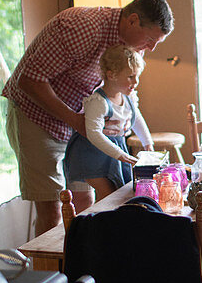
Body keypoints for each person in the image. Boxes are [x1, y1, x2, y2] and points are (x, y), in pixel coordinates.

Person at [3, 0, 173, 235]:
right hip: (36, 116)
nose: (151, 48)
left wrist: (141, 138)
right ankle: (48, 272)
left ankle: (83, 264)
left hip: (80, 122)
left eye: (157, 42)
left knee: (84, 202)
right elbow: (29, 80)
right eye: (150, 39)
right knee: (52, 208)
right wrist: (77, 122)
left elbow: (128, 97)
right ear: (133, 20)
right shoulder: (81, 27)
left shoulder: (134, 45)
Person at [63, 45, 152, 201]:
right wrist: (120, 154)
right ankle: (99, 223)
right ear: (111, 75)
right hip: (90, 151)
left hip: (115, 149)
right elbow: (94, 133)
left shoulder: (128, 97)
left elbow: (136, 118)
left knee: (120, 191)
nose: (136, 82)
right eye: (131, 77)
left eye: (137, 76)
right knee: (108, 196)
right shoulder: (98, 102)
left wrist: (147, 143)